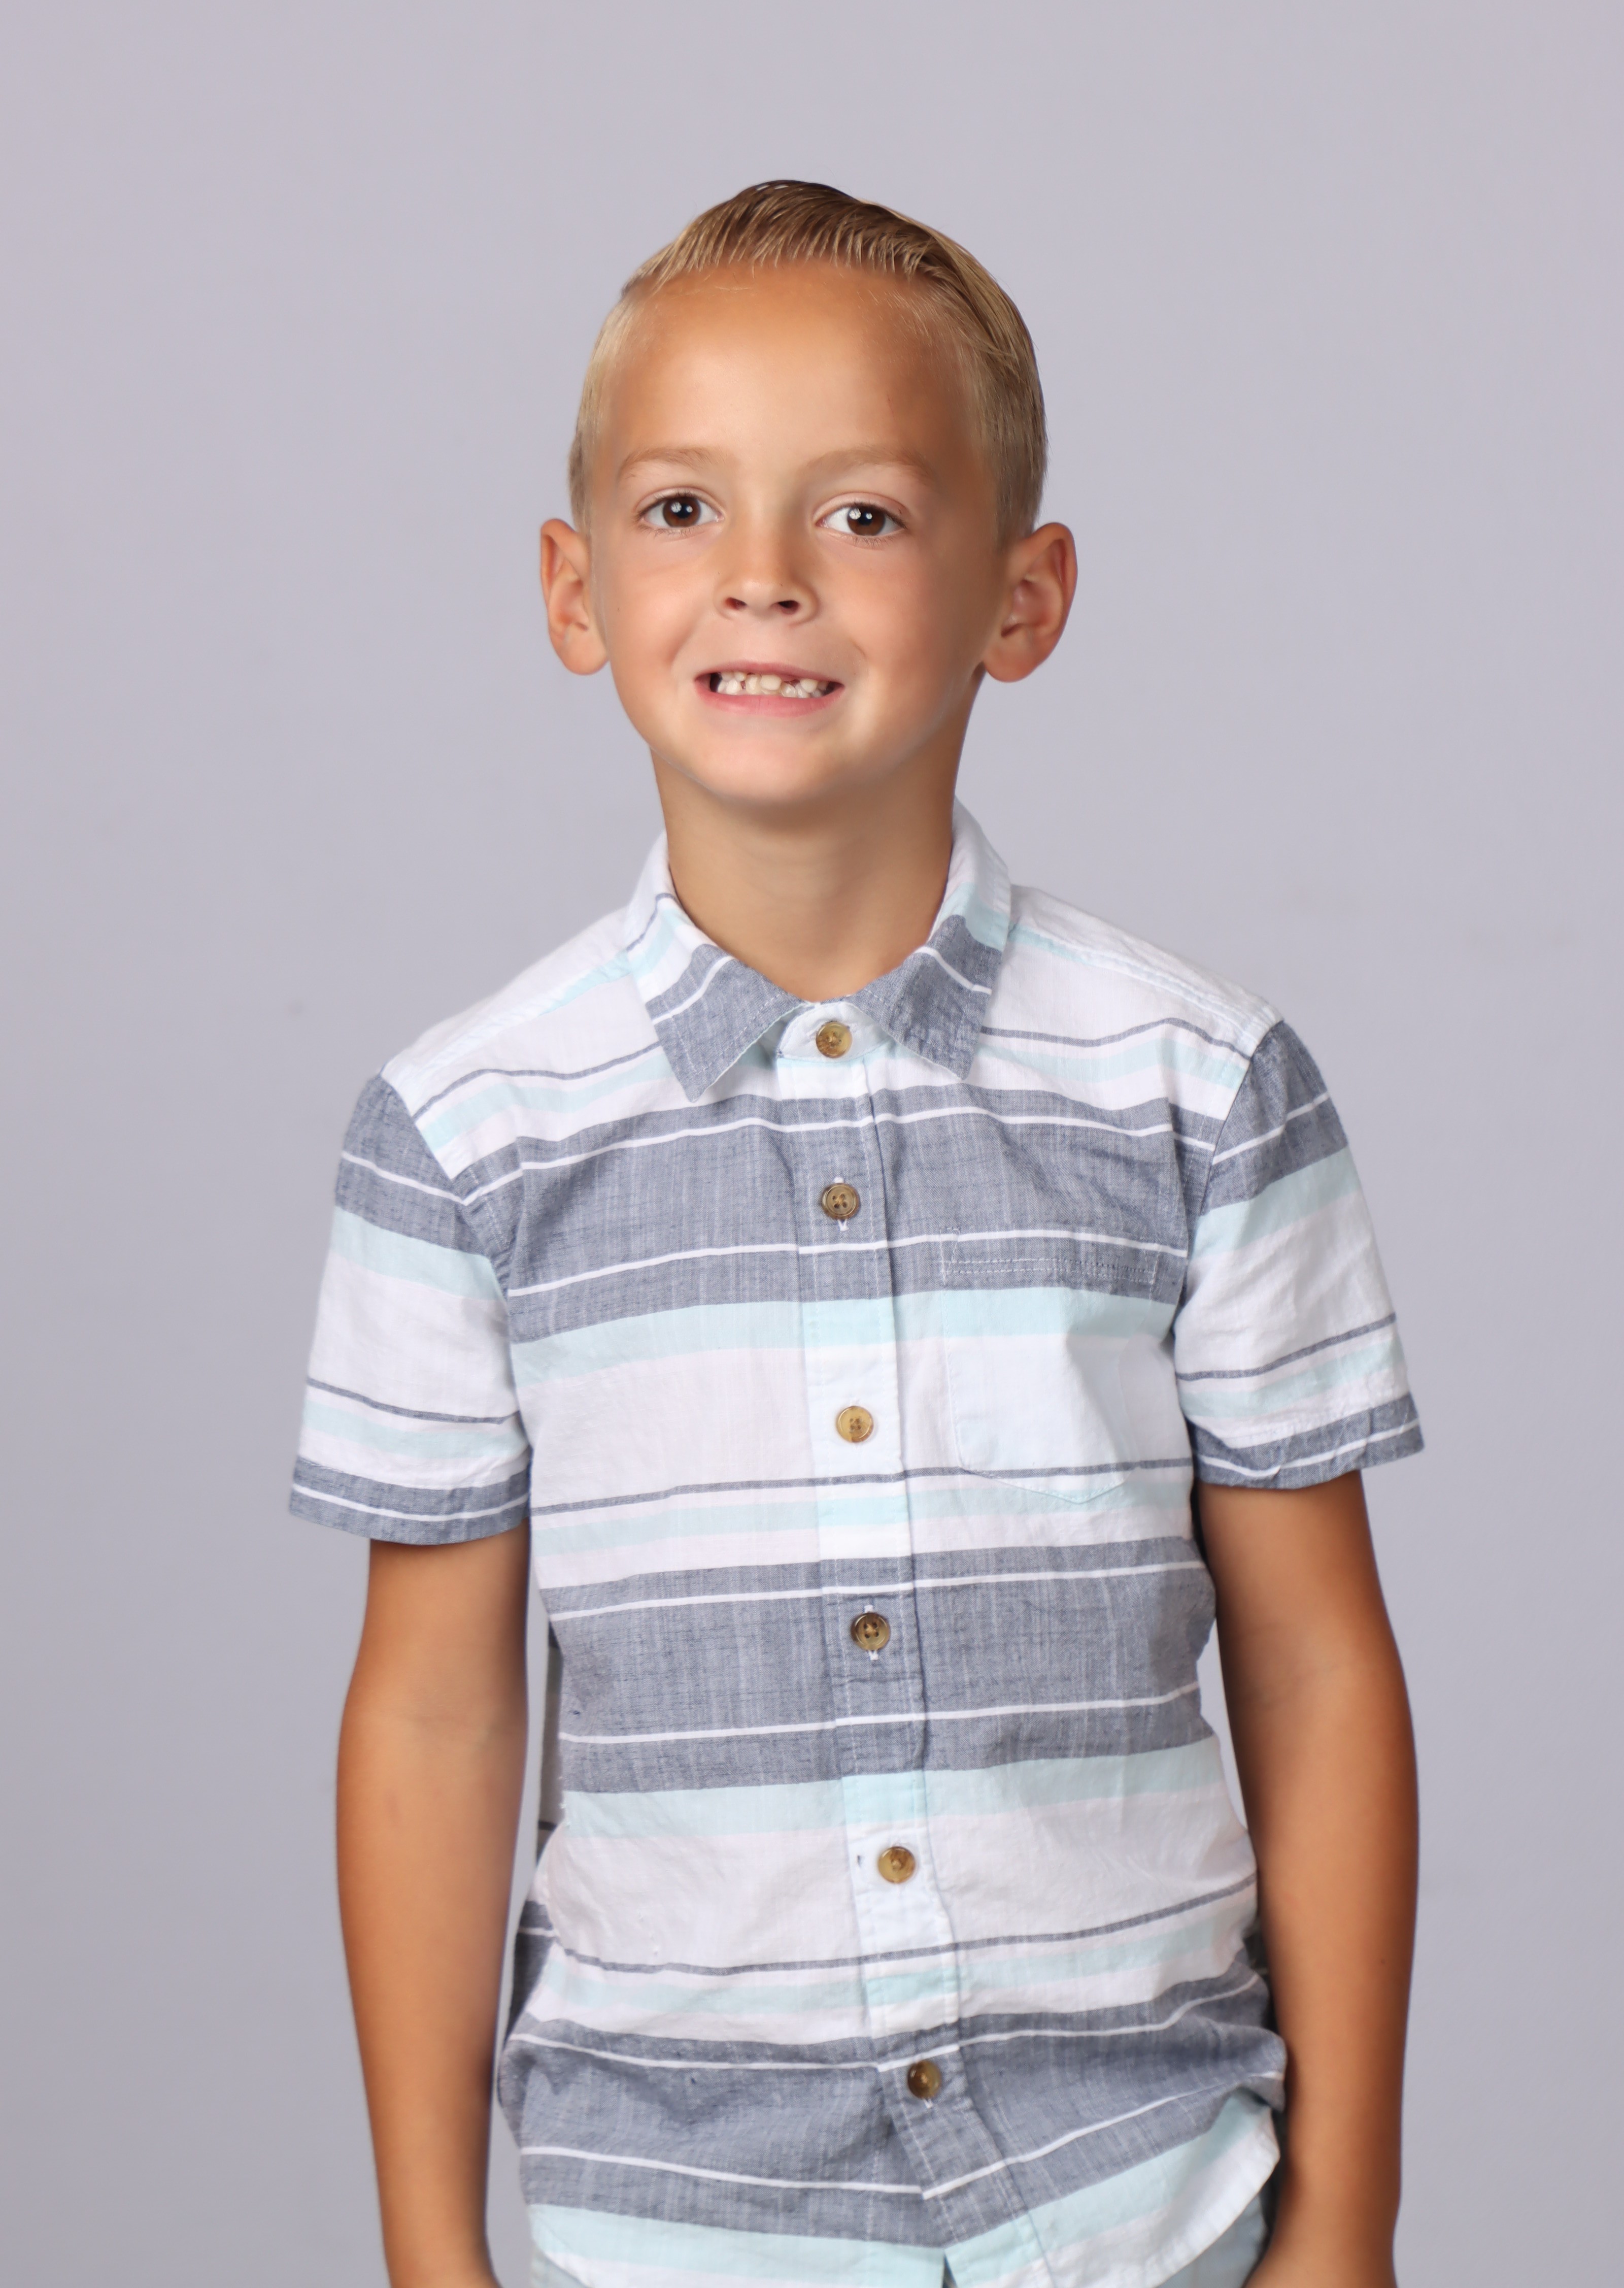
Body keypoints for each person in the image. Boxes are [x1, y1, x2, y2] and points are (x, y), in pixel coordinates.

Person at [292, 181, 1421, 2288]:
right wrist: (431, 2256)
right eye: (680, 509)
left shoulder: (1198, 1089)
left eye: (864, 516)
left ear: (1022, 595)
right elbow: (435, 1714)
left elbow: (1314, 1662)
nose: (764, 579)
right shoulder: (462, 1136)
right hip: (679, 2227)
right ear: (572, 591)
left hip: (1141, 2207)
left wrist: (1345, 2225)